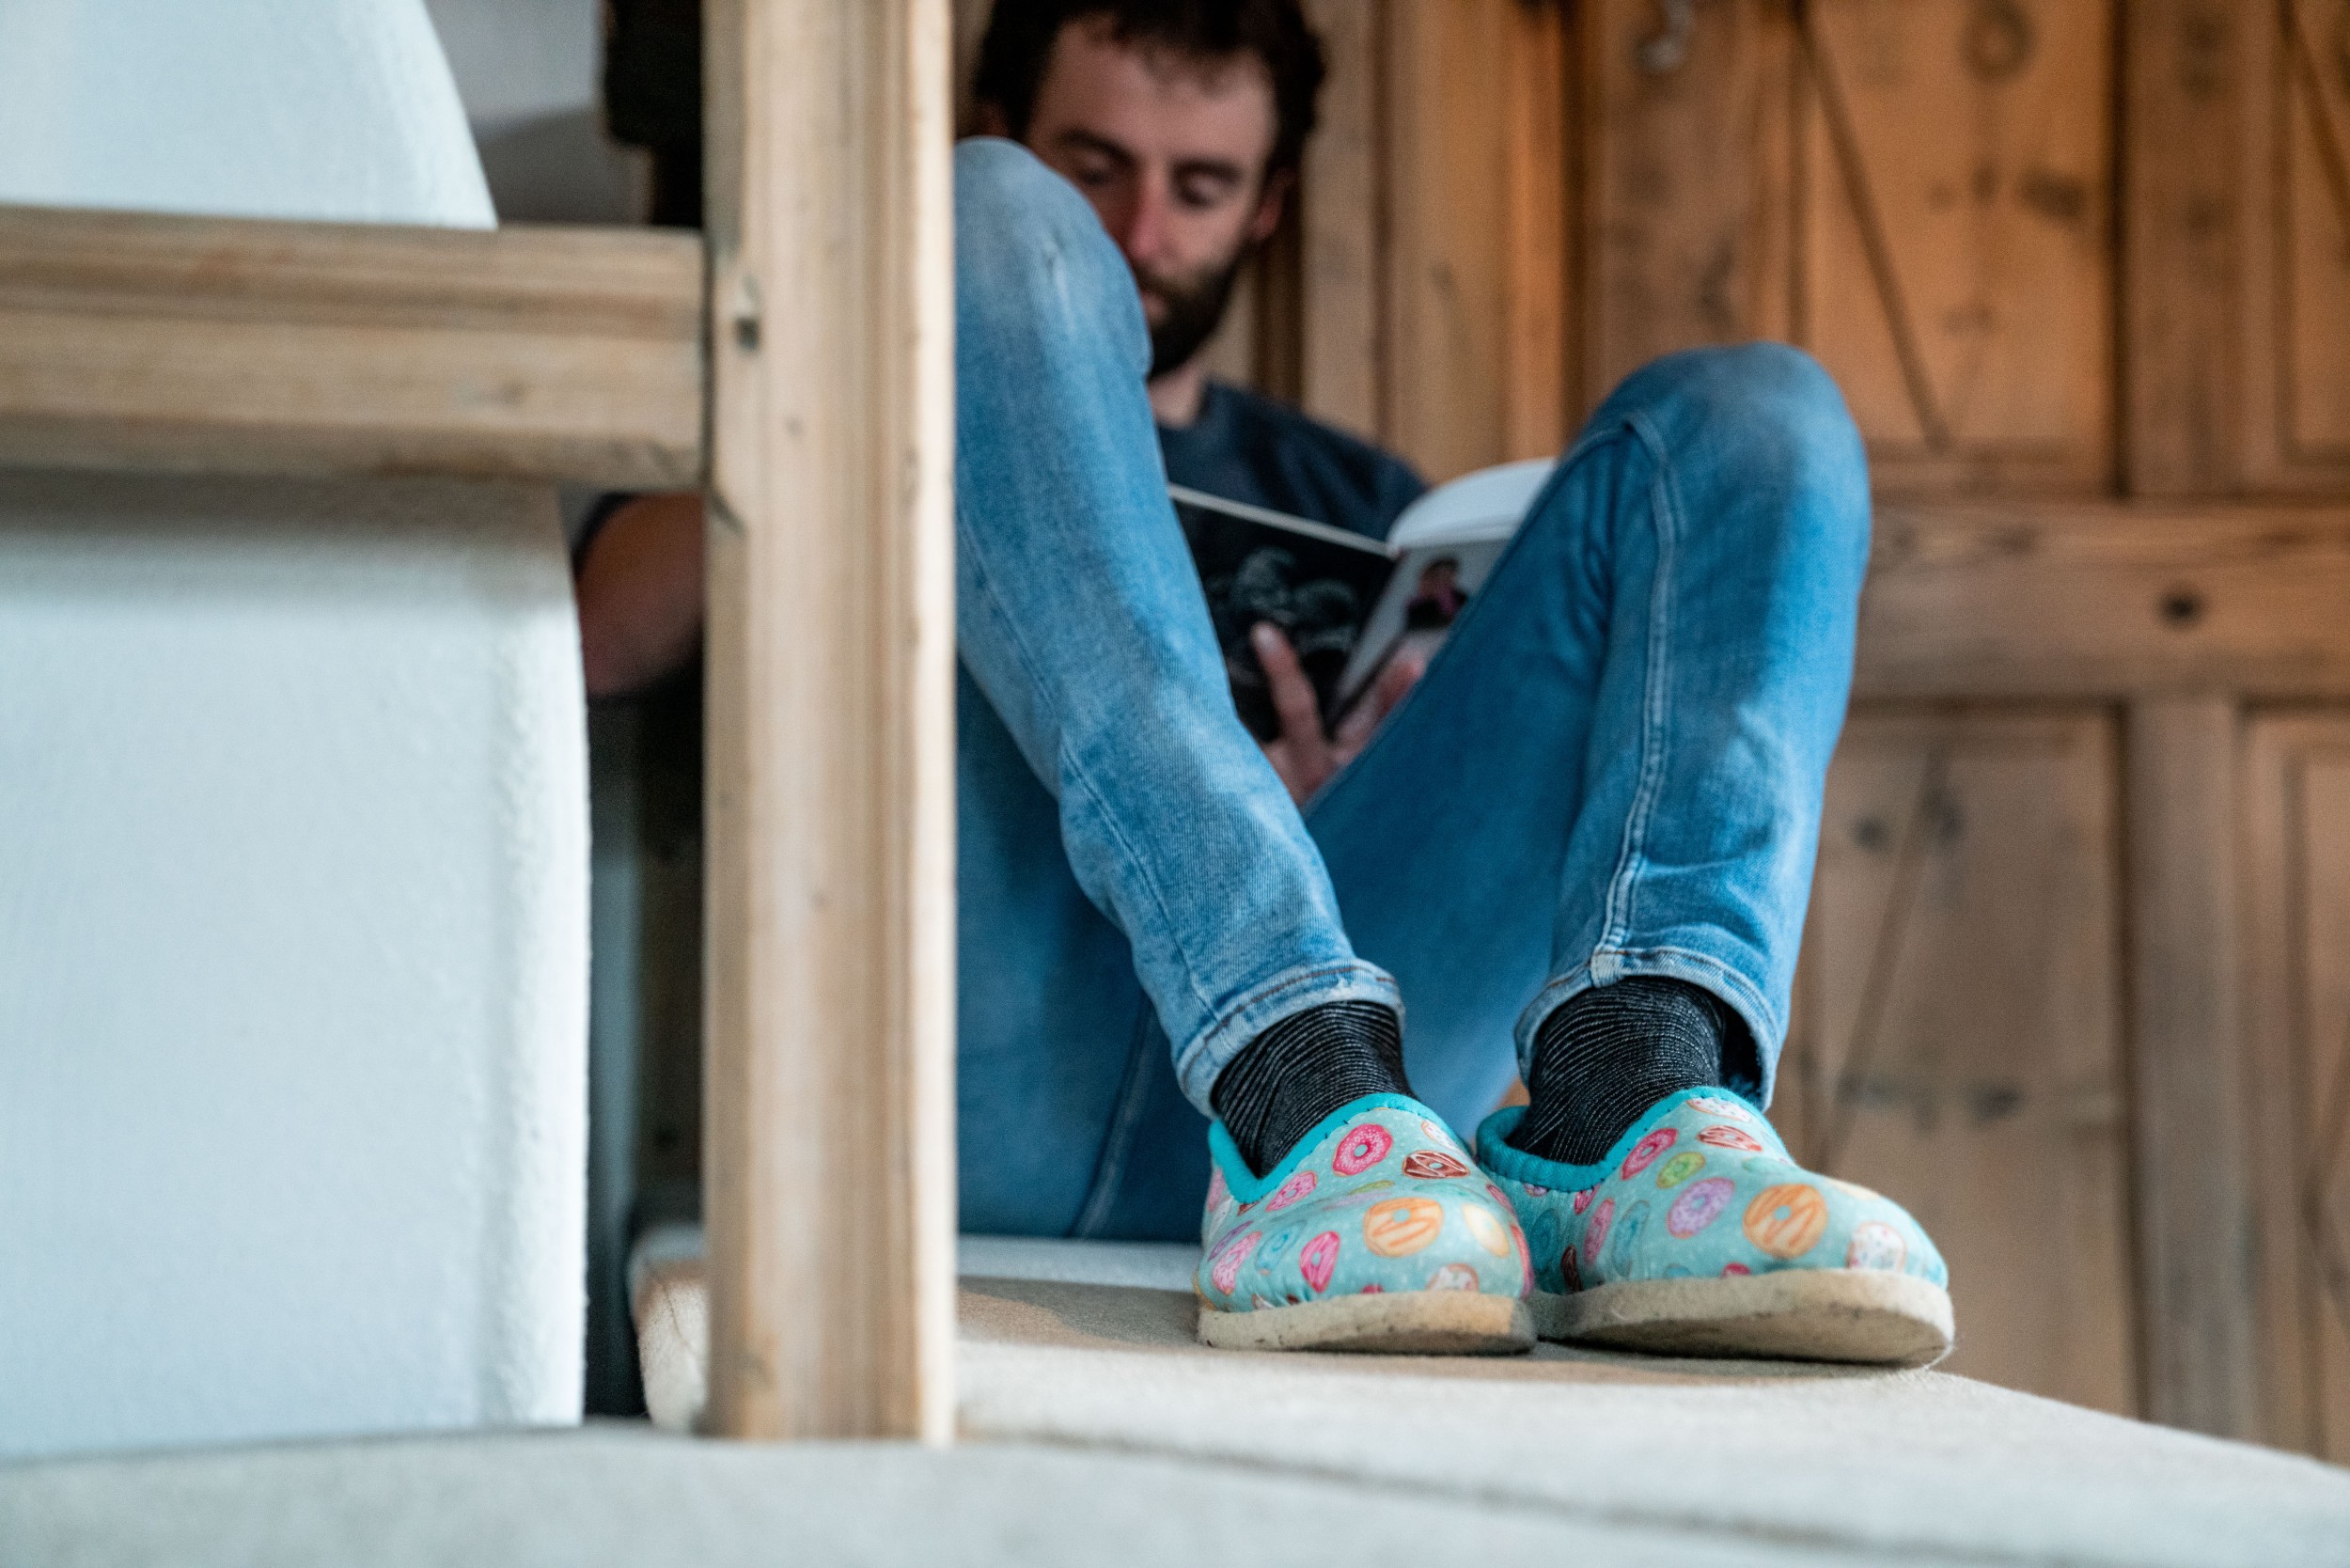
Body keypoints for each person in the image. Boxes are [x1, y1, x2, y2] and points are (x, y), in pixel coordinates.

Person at [577, 0, 1952, 1362]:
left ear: (1270, 204)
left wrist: (1325, 808)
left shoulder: (1354, 497)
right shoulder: (859, 367)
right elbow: (592, 633)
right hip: (988, 1062)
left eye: (1200, 186)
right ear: (1015, 117)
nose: (1142, 234)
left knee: (1758, 416)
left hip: (1379, 1135)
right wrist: (843, 394)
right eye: (1096, 169)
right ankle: (1289, 1059)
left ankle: (1630, 1096)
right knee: (973, 215)